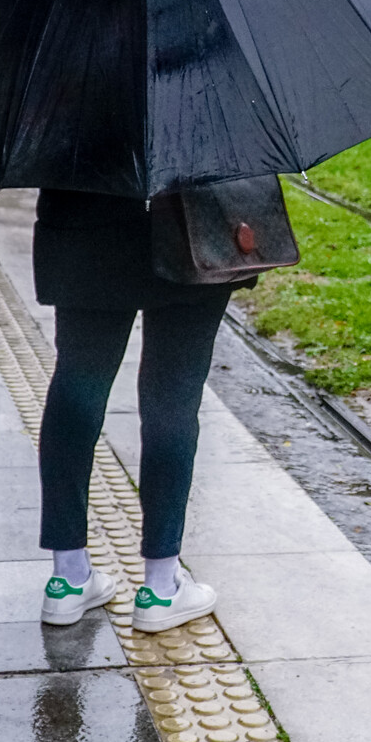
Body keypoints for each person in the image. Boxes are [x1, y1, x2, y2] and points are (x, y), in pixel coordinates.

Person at [33, 189, 250, 633]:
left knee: (77, 386)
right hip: (193, 219)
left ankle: (68, 578)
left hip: (86, 219)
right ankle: (160, 586)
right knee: (172, 397)